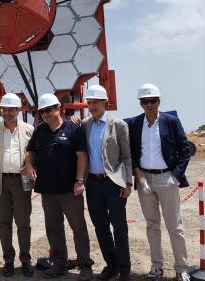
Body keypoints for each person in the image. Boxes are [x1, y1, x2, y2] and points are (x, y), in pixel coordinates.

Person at [25, 93, 94, 281]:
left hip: (70, 190)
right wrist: (29, 165)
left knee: (78, 227)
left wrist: (80, 181)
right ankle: (60, 264)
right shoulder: (39, 131)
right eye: (42, 112)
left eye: (49, 110)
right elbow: (30, 152)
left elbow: (82, 156)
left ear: (58, 108)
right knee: (53, 228)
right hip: (48, 191)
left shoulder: (73, 129)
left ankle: (85, 266)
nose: (45, 114)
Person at [127, 83, 191, 281]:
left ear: (159, 101)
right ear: (140, 103)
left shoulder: (171, 122)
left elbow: (185, 149)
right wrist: (137, 173)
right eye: (145, 101)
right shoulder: (135, 123)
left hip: (167, 179)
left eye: (152, 100)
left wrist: (175, 176)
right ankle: (156, 267)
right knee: (152, 225)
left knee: (175, 226)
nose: (149, 104)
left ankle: (181, 268)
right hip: (144, 179)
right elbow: (131, 151)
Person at [81, 85, 132, 281]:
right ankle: (111, 266)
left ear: (104, 103)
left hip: (113, 183)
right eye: (89, 102)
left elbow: (127, 157)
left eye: (96, 102)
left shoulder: (118, 125)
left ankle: (125, 270)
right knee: (100, 227)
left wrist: (127, 183)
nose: (92, 106)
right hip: (93, 184)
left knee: (119, 227)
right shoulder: (86, 125)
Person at [0, 93, 34, 278]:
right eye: (5, 109)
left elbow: (35, 153)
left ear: (19, 110)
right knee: (4, 224)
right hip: (0, 183)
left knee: (23, 223)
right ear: (0, 110)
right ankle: (9, 261)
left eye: (12, 109)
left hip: (22, 183)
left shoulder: (29, 130)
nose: (8, 112)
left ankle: (26, 260)